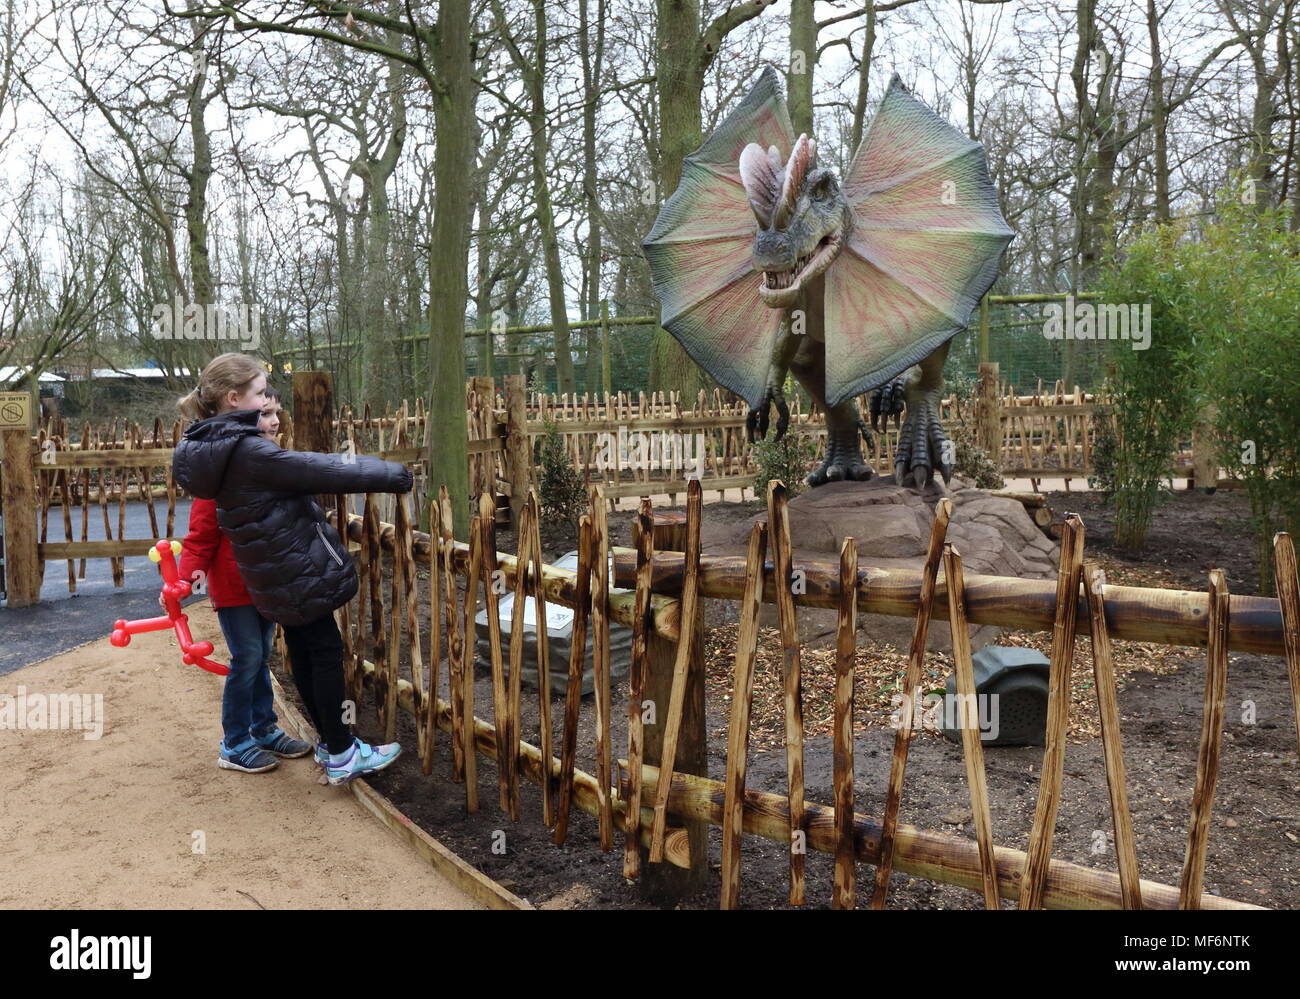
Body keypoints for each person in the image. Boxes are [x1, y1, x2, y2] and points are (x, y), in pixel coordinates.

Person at [172, 353, 413, 786]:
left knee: (305, 650)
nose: (270, 404)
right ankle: (340, 751)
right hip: (293, 572)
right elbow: (323, 468)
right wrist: (396, 474)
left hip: (274, 573)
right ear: (234, 399)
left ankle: (329, 742)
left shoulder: (219, 451)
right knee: (320, 654)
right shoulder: (248, 451)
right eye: (262, 394)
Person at [175, 384, 307, 774]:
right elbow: (200, 536)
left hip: (266, 582)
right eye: (266, 414)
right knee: (247, 657)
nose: (275, 421)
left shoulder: (270, 464)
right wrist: (188, 581)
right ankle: (233, 742)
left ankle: (263, 728)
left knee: (261, 656)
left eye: (276, 413)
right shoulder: (219, 477)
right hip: (234, 587)